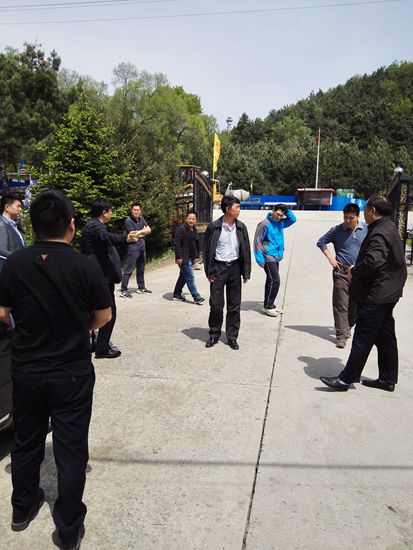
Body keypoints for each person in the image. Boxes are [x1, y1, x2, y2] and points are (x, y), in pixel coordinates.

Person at [0, 190, 112, 550]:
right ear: (71, 225)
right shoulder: (85, 266)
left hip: (27, 370)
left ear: (34, 225)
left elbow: (3, 312)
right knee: (71, 449)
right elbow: (103, 316)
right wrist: (77, 328)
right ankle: (67, 528)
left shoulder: (14, 263)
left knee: (26, 441)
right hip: (71, 372)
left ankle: (22, 508)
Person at [320, 195, 407, 392]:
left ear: (372, 211)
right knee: (385, 337)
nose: (364, 213)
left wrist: (355, 271)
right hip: (389, 292)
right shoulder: (388, 226)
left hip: (377, 293)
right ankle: (387, 379)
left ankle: (346, 379)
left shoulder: (379, 231)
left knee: (362, 337)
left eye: (366, 209)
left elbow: (373, 260)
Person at [81, 198, 138, 359]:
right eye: (110, 210)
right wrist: (126, 238)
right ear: (104, 212)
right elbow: (107, 237)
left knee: (93, 310)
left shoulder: (93, 225)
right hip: (99, 278)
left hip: (99, 277)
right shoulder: (95, 227)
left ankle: (92, 342)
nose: (112, 213)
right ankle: (102, 348)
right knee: (108, 312)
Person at [203, 195, 251, 350]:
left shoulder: (241, 227)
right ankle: (214, 334)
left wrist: (246, 272)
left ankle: (232, 337)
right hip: (218, 269)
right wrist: (209, 271)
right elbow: (207, 250)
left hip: (235, 269)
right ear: (228, 209)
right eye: (237, 207)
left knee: (234, 306)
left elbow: (246, 249)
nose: (239, 210)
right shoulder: (214, 227)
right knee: (216, 305)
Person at [316, 203, 367, 348]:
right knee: (340, 305)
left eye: (351, 218)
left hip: (359, 273)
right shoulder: (337, 230)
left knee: (355, 305)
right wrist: (330, 258)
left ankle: (348, 326)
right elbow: (321, 242)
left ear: (358, 216)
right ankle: (341, 335)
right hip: (341, 272)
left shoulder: (367, 229)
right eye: (345, 217)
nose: (347, 221)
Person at [253, 204, 296, 317]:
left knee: (271, 280)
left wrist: (286, 210)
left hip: (276, 256)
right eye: (277, 214)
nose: (279, 217)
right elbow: (257, 242)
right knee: (275, 280)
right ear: (273, 210)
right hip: (268, 257)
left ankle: (269, 304)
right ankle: (268, 306)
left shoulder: (280, 223)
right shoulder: (264, 224)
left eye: (281, 215)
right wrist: (259, 259)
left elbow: (293, 220)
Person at [172, 208, 205, 304]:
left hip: (190, 257)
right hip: (183, 257)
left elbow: (196, 242)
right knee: (190, 276)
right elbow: (176, 243)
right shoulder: (181, 229)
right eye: (189, 218)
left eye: (193, 219)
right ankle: (196, 297)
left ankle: (176, 294)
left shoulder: (194, 229)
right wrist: (178, 257)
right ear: (186, 219)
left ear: (196, 220)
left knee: (183, 276)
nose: (191, 220)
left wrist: (198, 254)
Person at [120, 202, 152, 297]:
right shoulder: (128, 220)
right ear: (131, 210)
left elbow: (149, 230)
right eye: (134, 210)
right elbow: (133, 235)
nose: (136, 212)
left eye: (138, 210)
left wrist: (140, 232)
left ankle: (141, 287)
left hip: (142, 247)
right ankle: (124, 290)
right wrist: (143, 232)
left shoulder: (141, 219)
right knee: (129, 269)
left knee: (141, 268)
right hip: (133, 248)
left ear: (140, 211)